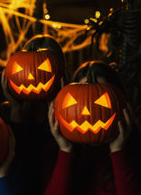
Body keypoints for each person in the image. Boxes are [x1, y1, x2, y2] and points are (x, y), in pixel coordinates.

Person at [44, 61, 141, 195]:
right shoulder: (55, 154)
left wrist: (118, 151)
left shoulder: (134, 154)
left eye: (100, 102)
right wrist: (65, 150)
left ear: (121, 104)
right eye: (77, 101)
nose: (86, 113)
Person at [0, 34, 68, 194]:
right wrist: (15, 109)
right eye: (27, 66)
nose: (32, 76)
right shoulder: (4, 112)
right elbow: (14, 163)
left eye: (44, 67)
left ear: (60, 72)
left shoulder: (74, 115)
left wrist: (56, 107)